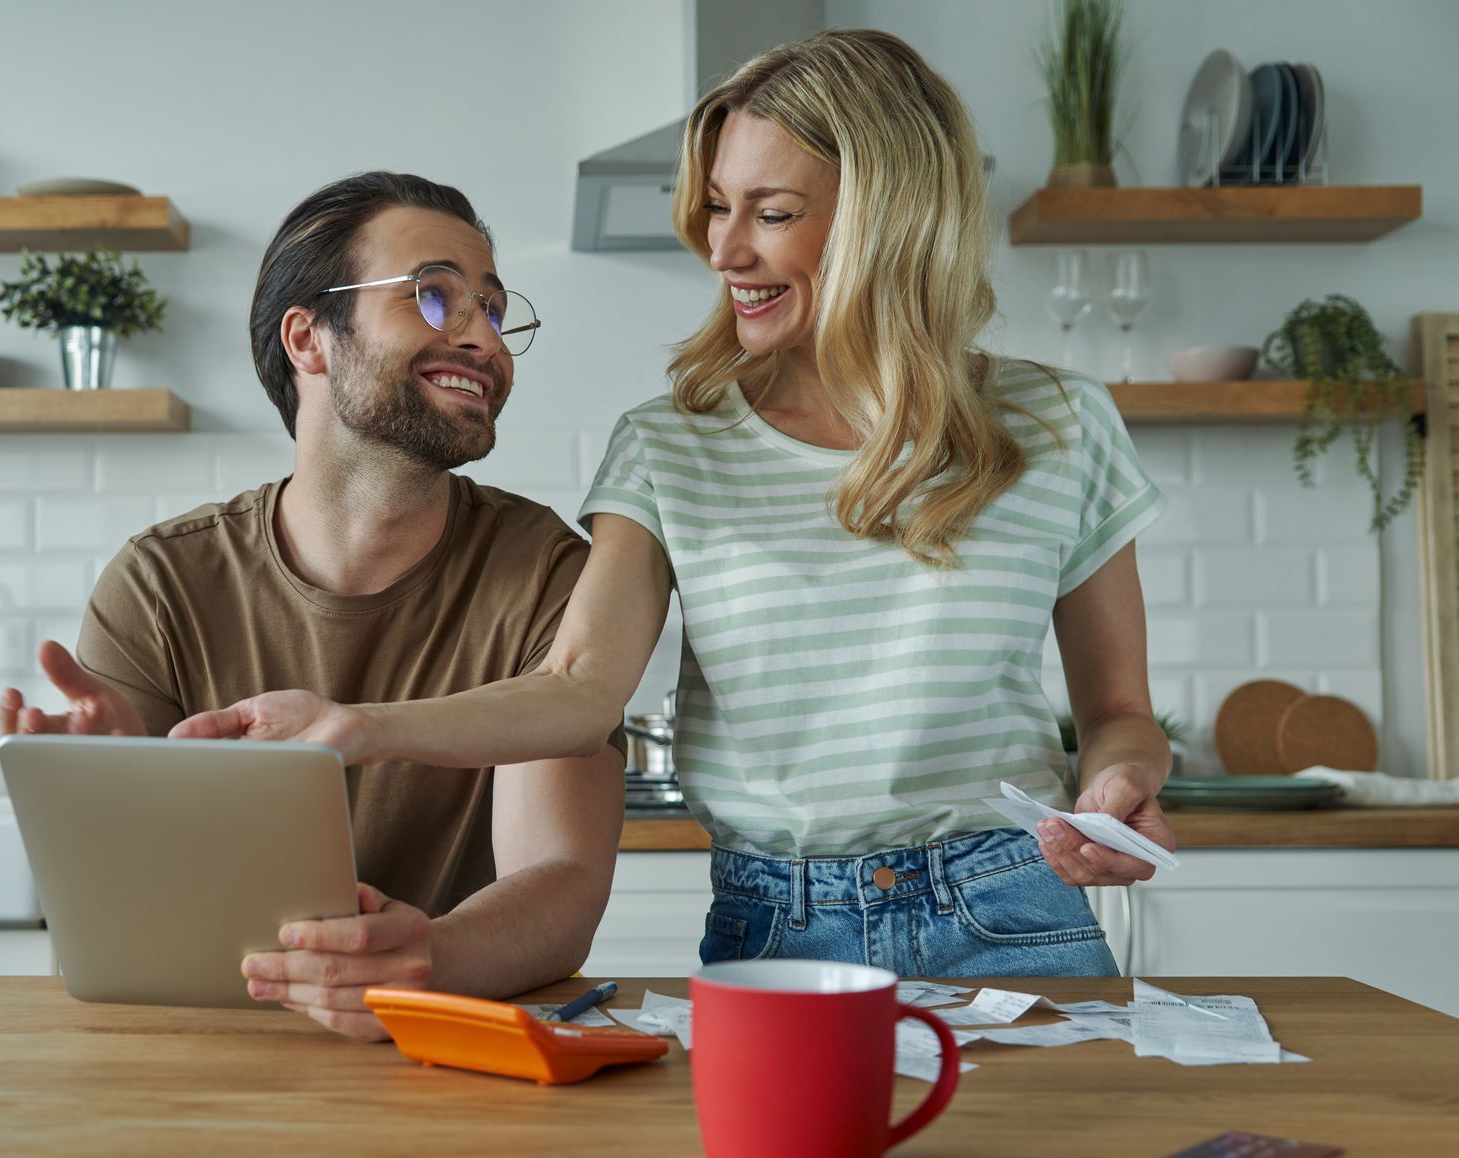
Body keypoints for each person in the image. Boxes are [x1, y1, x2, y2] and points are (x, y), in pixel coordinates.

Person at [172, 31, 1174, 979]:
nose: (725, 250)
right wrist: (362, 728)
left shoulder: (1059, 424)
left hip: (1011, 907)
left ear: (893, 217)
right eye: (716, 208)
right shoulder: (670, 444)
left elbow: (1121, 715)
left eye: (771, 213)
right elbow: (578, 690)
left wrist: (1116, 790)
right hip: (779, 924)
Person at [0, 172, 625, 1038]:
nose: (487, 340)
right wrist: (109, 805)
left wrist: (421, 963)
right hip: (212, 1053)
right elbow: (129, 927)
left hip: (454, 1054)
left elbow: (560, 877)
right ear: (310, 338)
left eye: (492, 307)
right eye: (437, 297)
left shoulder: (548, 574)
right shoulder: (160, 584)